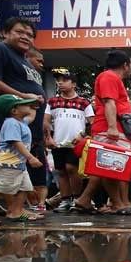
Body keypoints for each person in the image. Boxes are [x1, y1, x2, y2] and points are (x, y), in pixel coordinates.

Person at [0, 18, 46, 209]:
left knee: (10, 167)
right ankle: (0, 208)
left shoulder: (25, 61)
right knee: (4, 166)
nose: (25, 37)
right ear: (5, 33)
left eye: (30, 35)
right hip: (3, 123)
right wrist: (22, 96)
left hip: (24, 126)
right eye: (20, 32)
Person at [73, 49, 131, 215]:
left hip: (111, 127)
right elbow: (109, 102)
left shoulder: (112, 78)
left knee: (105, 166)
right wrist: (112, 127)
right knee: (111, 166)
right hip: (108, 128)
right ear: (125, 65)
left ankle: (84, 199)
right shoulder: (109, 77)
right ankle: (118, 204)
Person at [0, 95, 43, 225]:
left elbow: (32, 116)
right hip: (7, 163)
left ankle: (16, 211)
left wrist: (35, 102)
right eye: (25, 104)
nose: (29, 106)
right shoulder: (11, 123)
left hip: (18, 165)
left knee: (24, 187)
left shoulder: (21, 122)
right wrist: (31, 157)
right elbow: (16, 142)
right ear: (14, 111)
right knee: (0, 188)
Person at [46, 68, 93, 213]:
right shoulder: (52, 101)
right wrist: (47, 137)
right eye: (58, 80)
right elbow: (46, 121)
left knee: (72, 168)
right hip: (57, 142)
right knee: (61, 171)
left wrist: (83, 136)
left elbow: (93, 122)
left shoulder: (84, 102)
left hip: (76, 143)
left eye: (64, 80)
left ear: (73, 84)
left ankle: (77, 198)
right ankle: (65, 200)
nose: (60, 83)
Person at [24, 47, 50, 214]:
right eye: (38, 60)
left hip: (36, 138)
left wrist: (46, 135)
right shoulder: (16, 77)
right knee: (8, 179)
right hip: (22, 138)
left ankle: (38, 206)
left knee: (39, 176)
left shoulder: (36, 80)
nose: (41, 64)